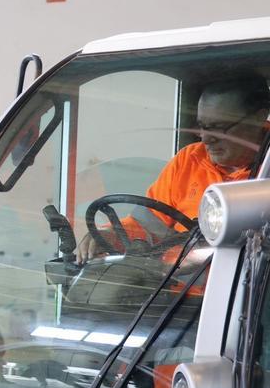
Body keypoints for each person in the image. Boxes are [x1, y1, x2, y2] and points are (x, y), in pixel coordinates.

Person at [77, 75, 270, 262]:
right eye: (202, 126)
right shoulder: (189, 160)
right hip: (174, 290)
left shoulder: (265, 173)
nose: (205, 138)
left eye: (219, 127)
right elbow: (148, 225)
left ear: (259, 118)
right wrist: (111, 235)